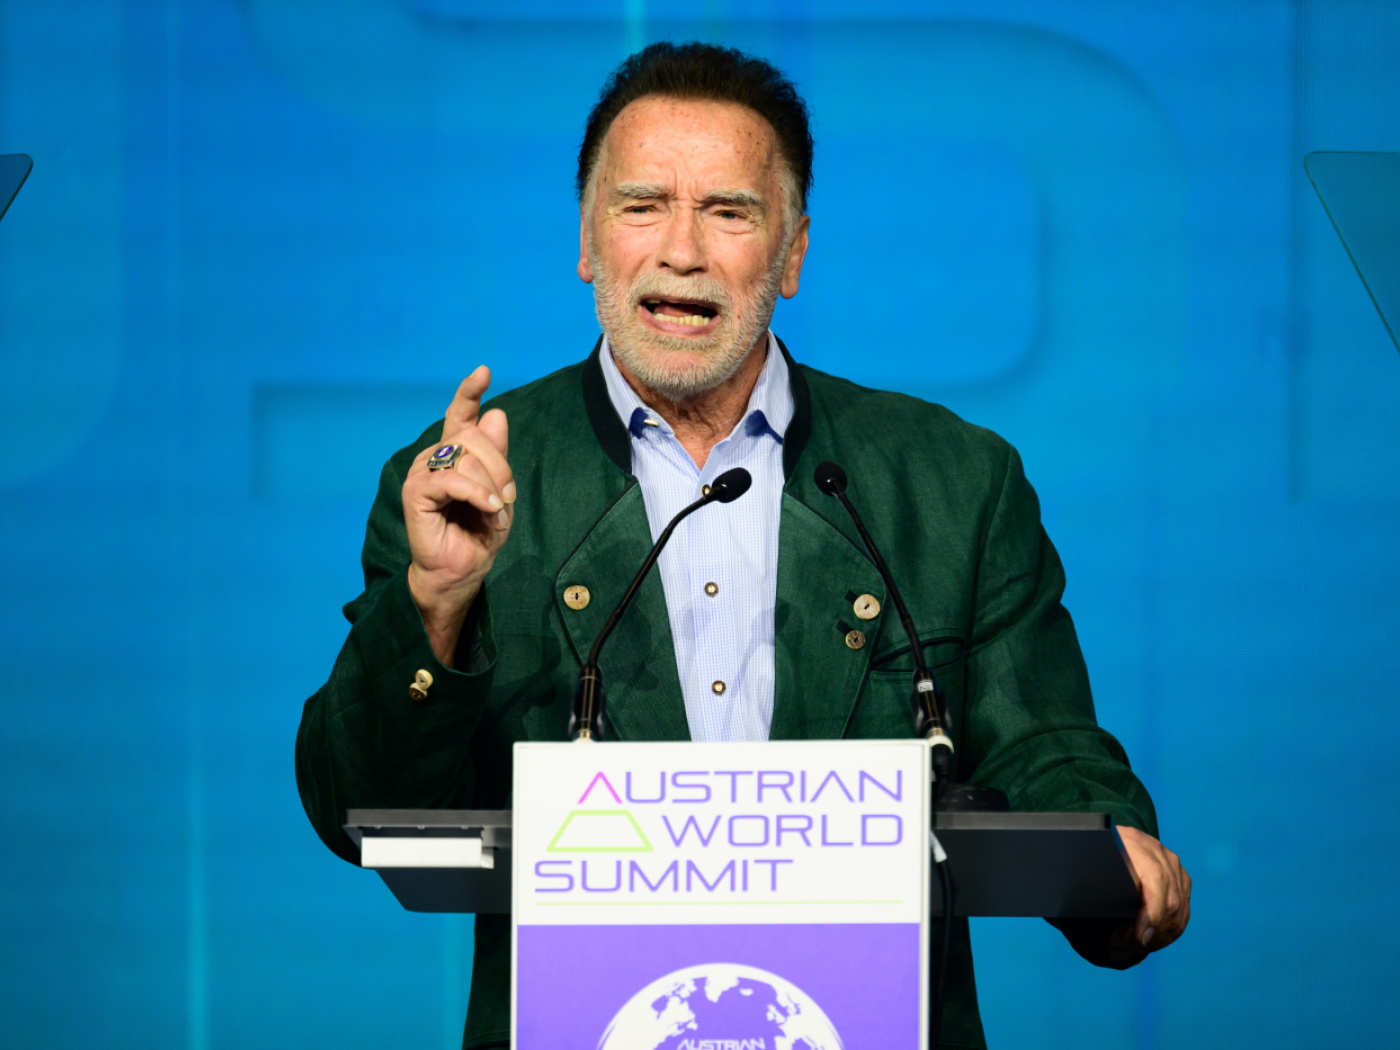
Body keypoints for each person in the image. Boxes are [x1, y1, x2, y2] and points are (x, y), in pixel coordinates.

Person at [296, 41, 1191, 1050]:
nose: (681, 250)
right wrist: (436, 602)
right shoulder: (464, 483)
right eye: (642, 206)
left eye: (729, 212)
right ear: (587, 239)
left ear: (792, 254)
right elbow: (357, 805)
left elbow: (1043, 743)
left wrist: (1113, 847)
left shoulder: (952, 479)